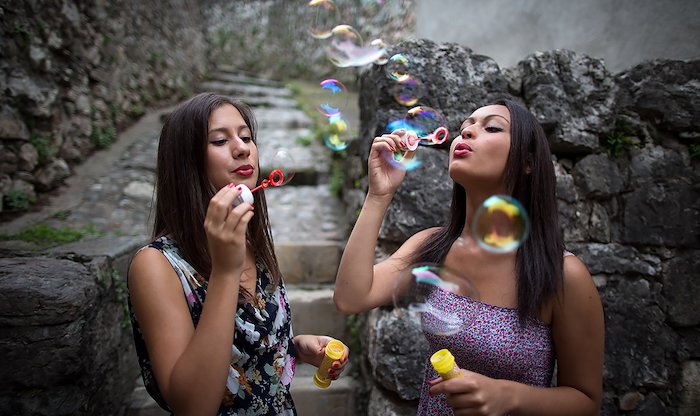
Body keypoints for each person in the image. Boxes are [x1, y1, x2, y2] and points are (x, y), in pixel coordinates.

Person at [333, 99, 604, 415]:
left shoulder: (562, 274)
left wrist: (508, 396)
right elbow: (351, 298)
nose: (467, 133)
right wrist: (379, 196)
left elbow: (586, 401)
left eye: (491, 127)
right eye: (464, 128)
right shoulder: (433, 245)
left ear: (528, 163)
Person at [127, 92, 348, 416]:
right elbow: (192, 407)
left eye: (246, 137)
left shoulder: (250, 243)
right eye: (219, 140)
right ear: (185, 162)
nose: (242, 148)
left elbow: (244, 357)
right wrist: (225, 271)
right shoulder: (156, 265)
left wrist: (295, 348)